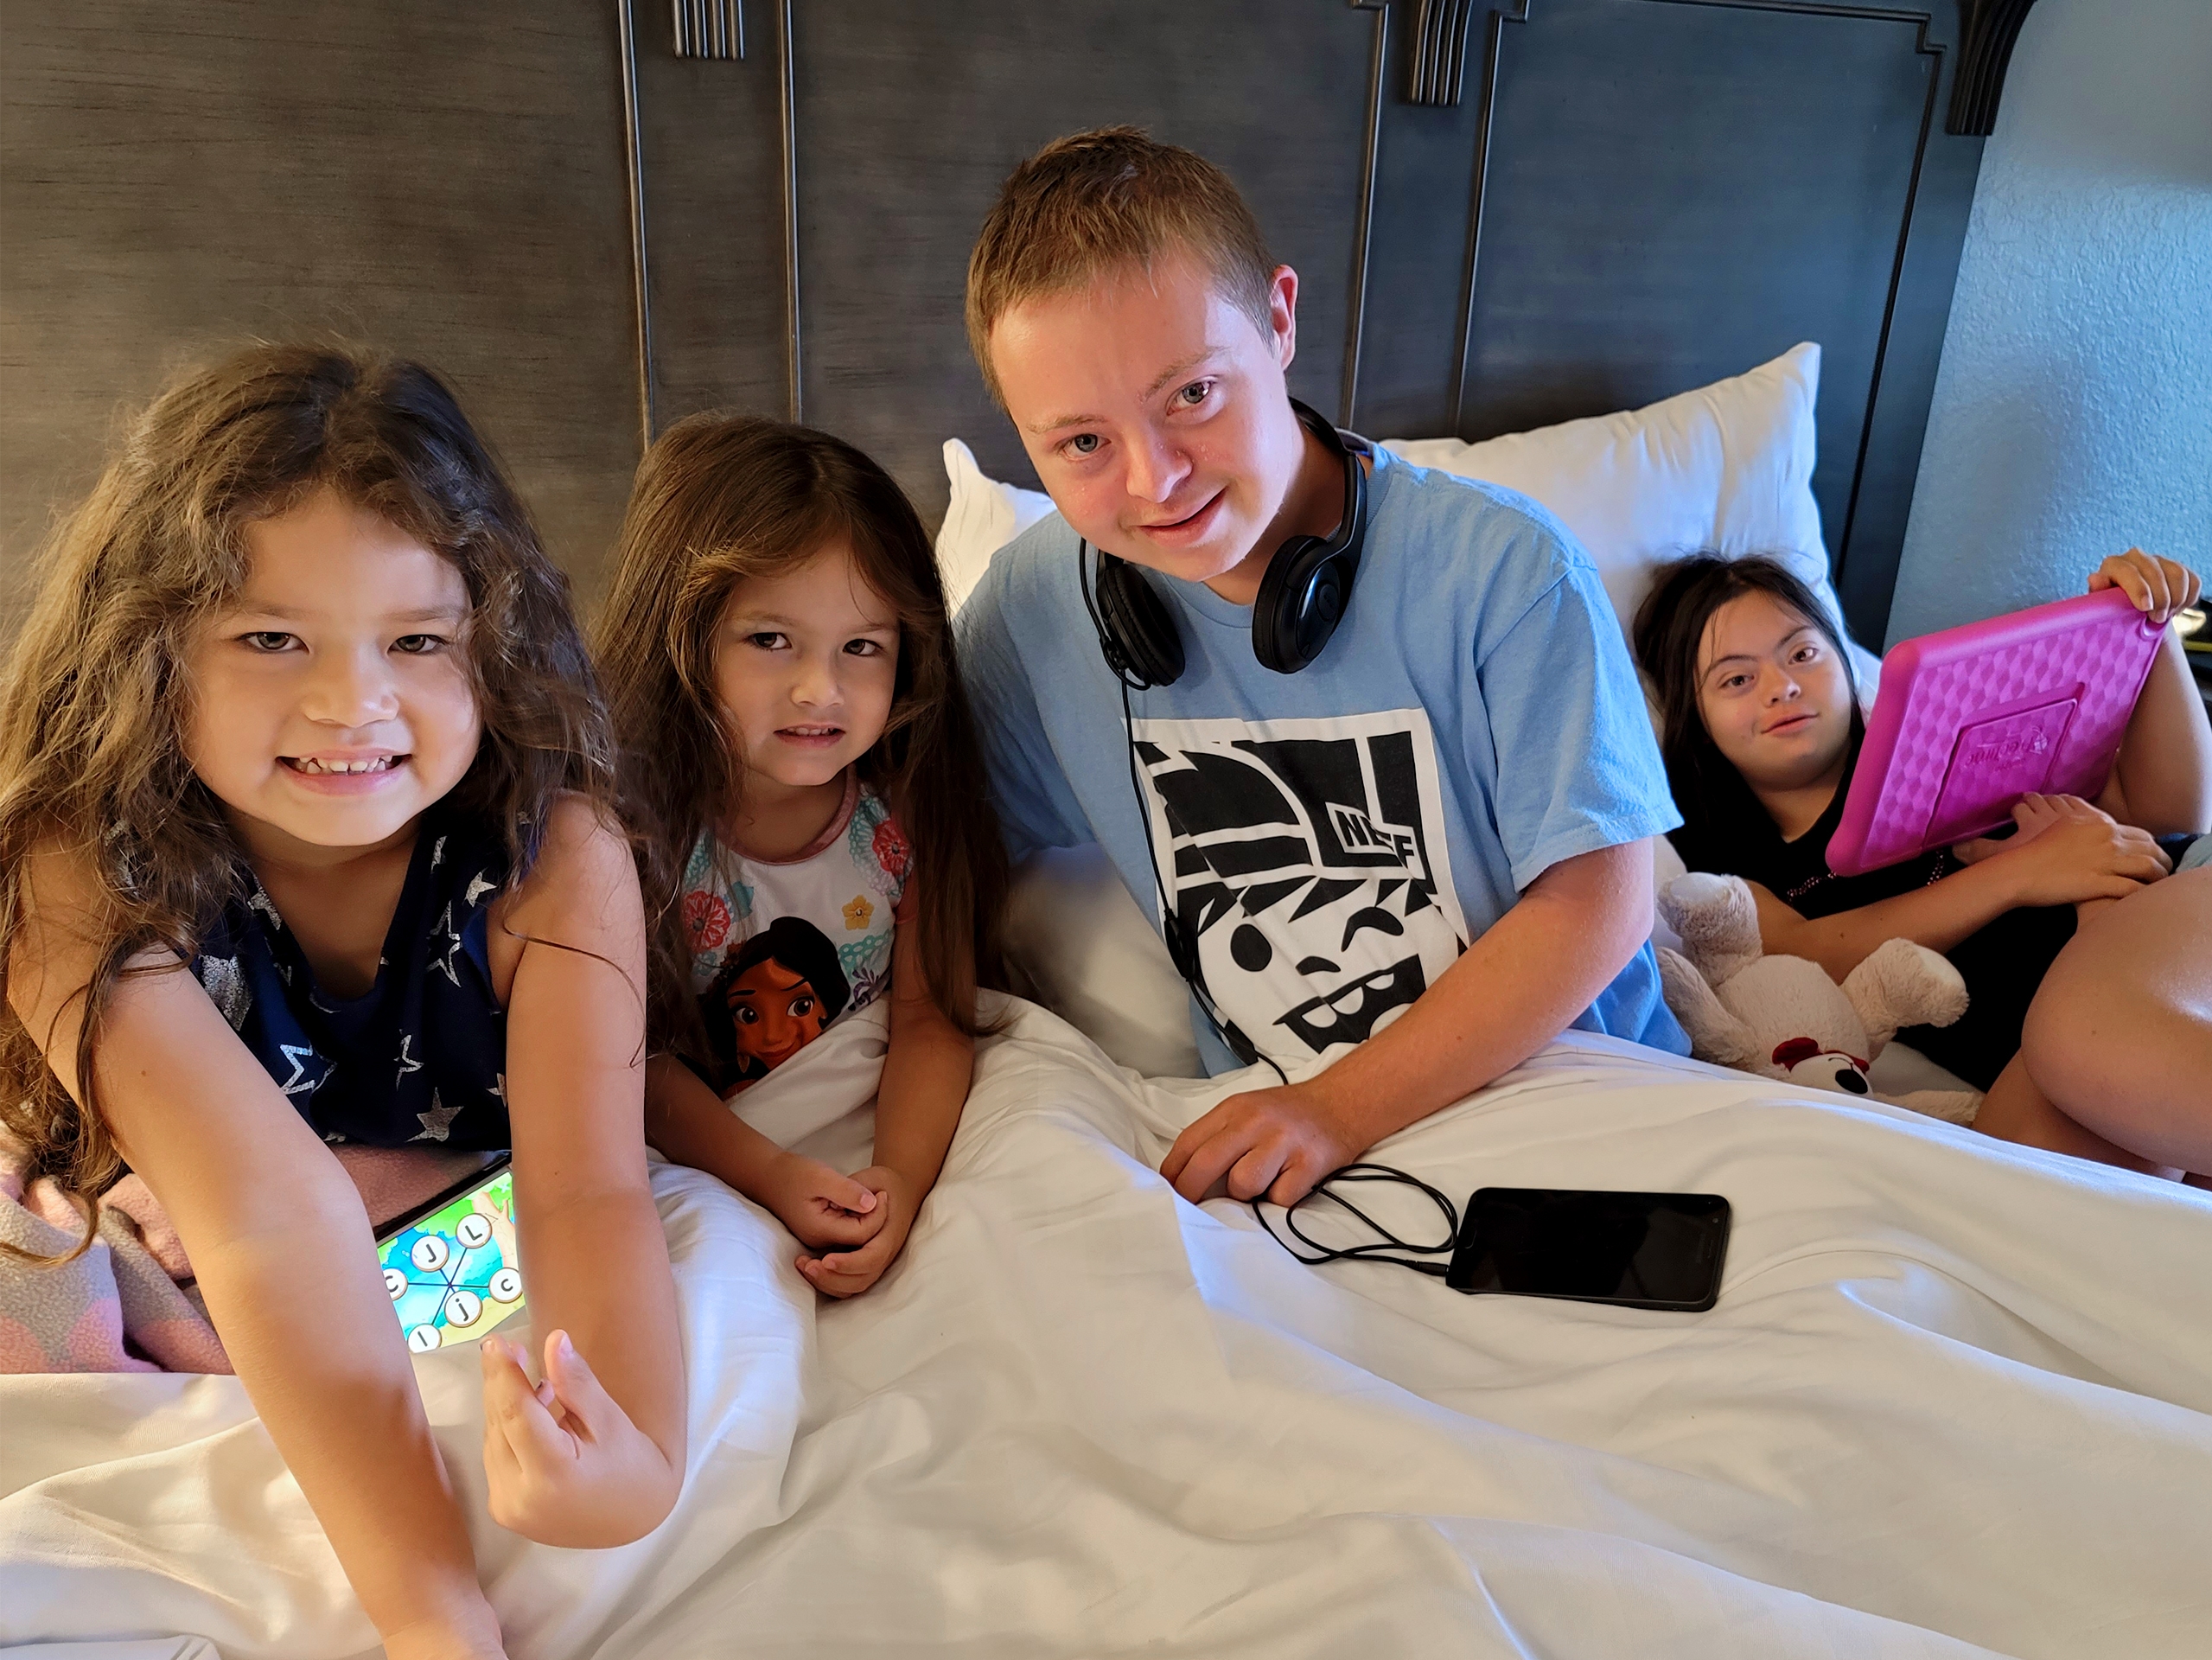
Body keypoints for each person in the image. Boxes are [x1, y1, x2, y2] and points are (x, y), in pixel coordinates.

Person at [0, 345, 683, 1660]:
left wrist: (639, 1454)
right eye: (270, 637)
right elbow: (264, 1219)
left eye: (418, 639)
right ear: (152, 653)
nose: (351, 702)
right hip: (194, 1194)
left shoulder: (554, 857)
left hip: (428, 1197)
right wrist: (434, 1614)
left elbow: (589, 1190)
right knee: (54, 1288)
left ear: (489, 645)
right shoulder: (73, 867)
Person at [953, 126, 1689, 1210]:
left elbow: (1599, 904)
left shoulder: (1509, 569)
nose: (1156, 480)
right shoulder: (1032, 609)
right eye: (1081, 445)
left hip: (1578, 1094)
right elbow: (928, 853)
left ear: (1281, 318)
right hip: (1284, 1155)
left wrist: (1335, 1110)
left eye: (1192, 395)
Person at [1636, 552, 2212, 1238]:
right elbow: (1807, 951)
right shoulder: (1719, 857)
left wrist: (2145, 634)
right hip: (2160, 1055)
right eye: (1736, 679)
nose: (1782, 685)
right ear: (1693, 716)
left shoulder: (1950, 742)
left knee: (2088, 1043)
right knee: (2037, 1216)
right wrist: (2023, 875)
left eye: (1801, 652)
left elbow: (2168, 821)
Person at [593, 413, 1004, 1299]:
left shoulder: (904, 815)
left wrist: (898, 1179)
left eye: (862, 647)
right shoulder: (617, 831)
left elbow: (932, 1019)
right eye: (770, 639)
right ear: (684, 632)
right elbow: (628, 1065)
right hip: (709, 1151)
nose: (820, 689)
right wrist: (774, 1177)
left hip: (874, 1130)